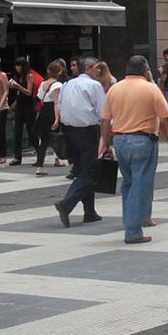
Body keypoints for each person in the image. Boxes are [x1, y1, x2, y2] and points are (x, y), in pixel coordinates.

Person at [100, 55, 168, 243]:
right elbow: (166, 117)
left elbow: (104, 120)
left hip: (120, 141)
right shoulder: (151, 89)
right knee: (140, 184)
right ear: (145, 71)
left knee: (128, 184)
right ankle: (133, 231)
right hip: (143, 141)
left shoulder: (114, 89)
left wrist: (106, 143)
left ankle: (130, 221)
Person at [53, 56, 106, 227]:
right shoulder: (94, 85)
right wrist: (106, 138)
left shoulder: (68, 84)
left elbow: (61, 107)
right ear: (89, 69)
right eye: (97, 68)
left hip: (70, 131)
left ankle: (89, 211)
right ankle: (66, 204)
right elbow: (102, 113)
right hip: (87, 131)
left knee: (82, 170)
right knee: (89, 171)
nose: (99, 71)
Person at [6, 57, 44, 165]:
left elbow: (29, 92)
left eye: (19, 65)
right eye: (16, 66)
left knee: (31, 131)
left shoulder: (29, 76)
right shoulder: (18, 76)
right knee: (17, 131)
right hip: (20, 106)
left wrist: (18, 87)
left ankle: (39, 153)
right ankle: (17, 157)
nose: (17, 68)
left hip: (29, 105)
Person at [34, 59, 67, 175]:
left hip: (43, 111)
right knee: (58, 137)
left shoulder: (43, 83)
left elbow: (39, 97)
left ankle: (40, 166)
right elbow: (56, 102)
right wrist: (57, 118)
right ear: (59, 72)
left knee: (43, 141)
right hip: (52, 112)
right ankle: (60, 159)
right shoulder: (58, 85)